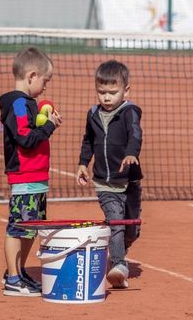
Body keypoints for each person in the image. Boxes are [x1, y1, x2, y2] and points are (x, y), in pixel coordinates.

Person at [0, 47, 62, 297]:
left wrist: (46, 120)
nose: (45, 87)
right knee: (18, 227)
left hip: (37, 178)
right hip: (24, 177)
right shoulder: (18, 104)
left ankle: (19, 272)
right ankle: (13, 278)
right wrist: (48, 127)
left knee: (31, 228)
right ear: (32, 76)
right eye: (45, 81)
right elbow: (25, 138)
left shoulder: (27, 104)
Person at [76, 59, 143, 289]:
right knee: (116, 222)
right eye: (101, 92)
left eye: (112, 93)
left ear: (126, 91)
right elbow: (88, 140)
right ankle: (119, 266)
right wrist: (83, 163)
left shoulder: (129, 112)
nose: (106, 98)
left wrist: (131, 153)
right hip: (105, 183)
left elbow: (135, 134)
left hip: (129, 181)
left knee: (131, 231)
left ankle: (120, 251)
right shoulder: (93, 113)